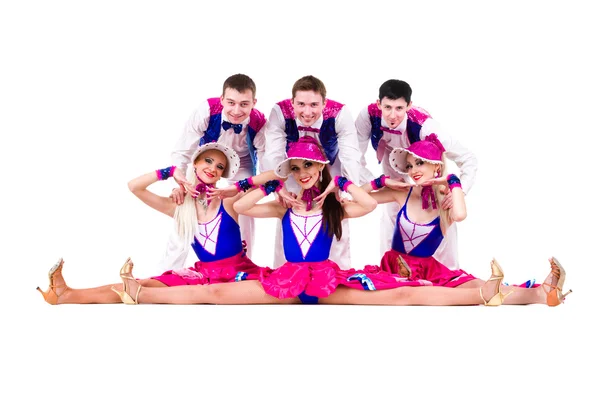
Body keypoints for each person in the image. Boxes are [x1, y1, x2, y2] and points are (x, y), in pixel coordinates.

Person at [108, 137, 571, 307]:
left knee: (412, 294)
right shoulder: (284, 204)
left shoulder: (334, 205)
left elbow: (367, 206)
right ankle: (131, 292)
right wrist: (273, 188)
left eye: (311, 168)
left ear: (322, 172)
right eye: (298, 169)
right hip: (286, 283)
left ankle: (527, 293)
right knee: (207, 293)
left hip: (329, 284)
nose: (304, 174)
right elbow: (245, 206)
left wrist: (337, 187)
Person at [36, 143, 265, 304]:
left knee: (144, 290)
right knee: (141, 283)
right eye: (208, 161)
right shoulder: (180, 207)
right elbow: (134, 186)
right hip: (203, 275)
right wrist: (170, 172)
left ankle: (66, 295)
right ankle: (65, 294)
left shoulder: (228, 200)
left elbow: (272, 178)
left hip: (238, 274)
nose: (213, 168)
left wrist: (236, 187)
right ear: (194, 164)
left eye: (219, 167)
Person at [355, 79, 478, 268]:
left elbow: (468, 159)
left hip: (428, 165)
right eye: (387, 107)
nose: (392, 115)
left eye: (399, 108)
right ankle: (392, 273)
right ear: (378, 104)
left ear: (409, 106)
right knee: (391, 215)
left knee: (440, 216)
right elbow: (354, 157)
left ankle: (448, 272)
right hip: (393, 162)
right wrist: (380, 182)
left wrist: (459, 192)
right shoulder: (368, 116)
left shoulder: (427, 127)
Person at [160, 73, 267, 272]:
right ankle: (167, 271)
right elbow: (183, 149)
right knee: (186, 209)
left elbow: (267, 162)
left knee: (243, 209)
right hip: (207, 161)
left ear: (254, 103)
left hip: (242, 162)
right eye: (231, 102)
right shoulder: (206, 111)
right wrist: (181, 184)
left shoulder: (259, 121)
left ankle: (242, 265)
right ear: (221, 100)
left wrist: (267, 187)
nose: (236, 110)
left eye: (244, 104)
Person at [262, 75, 367, 270]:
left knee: (335, 215)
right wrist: (279, 189)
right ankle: (283, 269)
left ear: (324, 103)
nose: (307, 112)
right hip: (294, 166)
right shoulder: (279, 111)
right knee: (289, 211)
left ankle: (339, 271)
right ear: (292, 102)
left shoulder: (340, 113)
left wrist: (344, 191)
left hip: (330, 166)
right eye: (301, 104)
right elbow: (273, 154)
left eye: (314, 105)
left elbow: (351, 155)